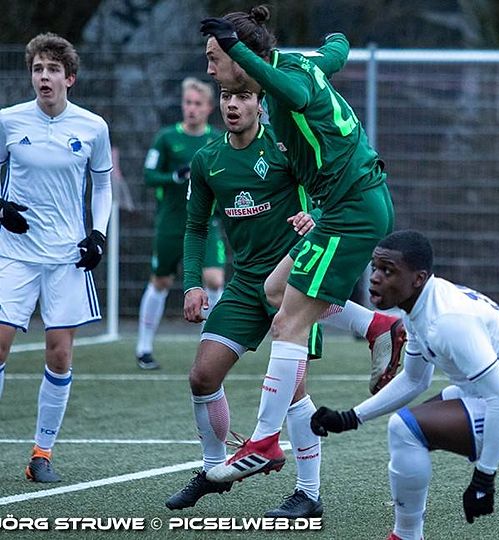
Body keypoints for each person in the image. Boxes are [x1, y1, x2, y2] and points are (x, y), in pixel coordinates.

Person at [200, 6, 403, 484]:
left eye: (214, 58)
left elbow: (291, 92)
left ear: (242, 60)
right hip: (347, 206)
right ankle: (377, 325)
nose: (210, 69)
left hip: (351, 210)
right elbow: (338, 48)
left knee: (287, 324)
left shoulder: (284, 83)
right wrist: (332, 38)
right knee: (275, 290)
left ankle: (264, 439)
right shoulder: (298, 62)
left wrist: (237, 48)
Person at [311, 230, 499, 540]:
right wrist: (351, 417)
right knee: (416, 421)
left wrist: (484, 478)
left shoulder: (447, 320)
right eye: (375, 267)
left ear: (418, 278)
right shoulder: (419, 304)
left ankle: (406, 535)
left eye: (388, 271)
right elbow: (415, 380)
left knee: (404, 429)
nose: (375, 278)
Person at [164, 84, 323, 518]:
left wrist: (315, 215)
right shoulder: (208, 159)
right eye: (226, 96)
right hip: (246, 283)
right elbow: (196, 227)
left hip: (294, 282)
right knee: (202, 376)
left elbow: (332, 197)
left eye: (243, 96)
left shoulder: (286, 147)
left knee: (294, 391)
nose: (232, 104)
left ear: (260, 103)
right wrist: (192, 283)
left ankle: (309, 494)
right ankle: (214, 471)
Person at [0, 33, 113, 483]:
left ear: (70, 78)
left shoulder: (93, 127)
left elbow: (102, 187)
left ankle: (41, 453)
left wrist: (97, 235)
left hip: (67, 257)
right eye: (37, 69)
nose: (43, 77)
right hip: (14, 253)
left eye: (52, 69)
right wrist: (0, 209)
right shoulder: (8, 121)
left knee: (60, 354)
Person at [136, 77, 226, 370]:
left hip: (206, 224)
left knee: (214, 279)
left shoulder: (218, 139)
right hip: (171, 225)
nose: (192, 108)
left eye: (198, 103)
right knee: (161, 281)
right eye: (188, 102)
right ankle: (144, 348)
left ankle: (209, 347)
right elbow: (149, 175)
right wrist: (174, 176)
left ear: (209, 108)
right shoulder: (166, 138)